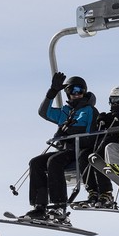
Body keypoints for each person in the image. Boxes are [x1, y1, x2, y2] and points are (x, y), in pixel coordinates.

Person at [24, 71, 95, 225]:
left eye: (80, 91)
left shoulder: (89, 110)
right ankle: (40, 206)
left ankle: (59, 206)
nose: (76, 94)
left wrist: (72, 133)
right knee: (35, 162)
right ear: (68, 93)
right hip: (64, 150)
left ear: (84, 92)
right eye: (72, 91)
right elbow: (43, 112)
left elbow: (91, 134)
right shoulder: (64, 112)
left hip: (77, 149)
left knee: (54, 162)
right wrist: (52, 92)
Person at [74, 85, 119, 209]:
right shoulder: (107, 116)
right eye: (112, 100)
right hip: (102, 144)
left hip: (118, 146)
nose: (114, 103)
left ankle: (106, 193)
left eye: (118, 100)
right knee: (84, 155)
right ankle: (93, 191)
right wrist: (100, 121)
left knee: (98, 156)